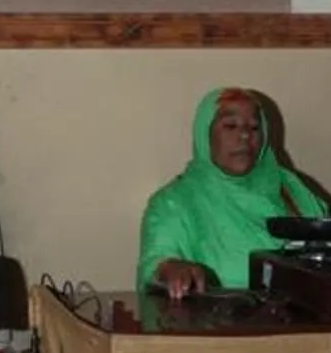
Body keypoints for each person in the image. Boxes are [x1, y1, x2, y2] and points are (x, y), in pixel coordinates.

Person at [137, 88, 321, 298]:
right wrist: (170, 270)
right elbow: (155, 265)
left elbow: (329, 252)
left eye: (254, 127)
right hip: (214, 327)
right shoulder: (173, 203)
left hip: (304, 326)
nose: (244, 136)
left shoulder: (290, 189)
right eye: (230, 126)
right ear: (205, 134)